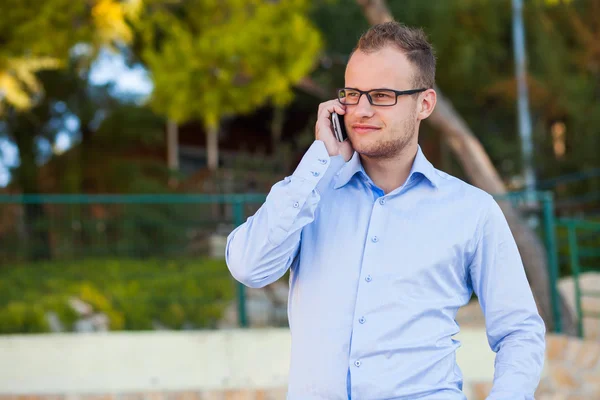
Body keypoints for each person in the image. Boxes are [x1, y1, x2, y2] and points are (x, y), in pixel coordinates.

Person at [225, 21, 546, 400]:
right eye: (352, 94)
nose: (360, 110)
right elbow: (248, 267)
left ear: (424, 104)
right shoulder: (310, 195)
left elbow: (519, 331)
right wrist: (319, 161)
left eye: (380, 95)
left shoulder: (472, 211)